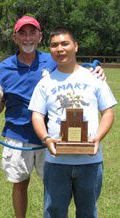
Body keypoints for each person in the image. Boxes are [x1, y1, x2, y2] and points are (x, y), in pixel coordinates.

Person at [0, 16, 105, 218]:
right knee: (20, 185)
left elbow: (76, 70)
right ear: (15, 37)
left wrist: (95, 68)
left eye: (32, 32)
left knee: (54, 188)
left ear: (40, 37)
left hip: (50, 139)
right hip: (17, 138)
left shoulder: (53, 60)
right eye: (22, 33)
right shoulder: (4, 69)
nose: (27, 38)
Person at [28, 27, 117, 218]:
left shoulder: (94, 78)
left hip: (90, 162)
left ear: (75, 46)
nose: (59, 49)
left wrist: (97, 138)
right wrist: (46, 138)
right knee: (54, 212)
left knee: (87, 212)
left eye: (64, 43)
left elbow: (108, 112)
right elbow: (36, 115)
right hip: (56, 162)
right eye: (54, 45)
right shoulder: (45, 83)